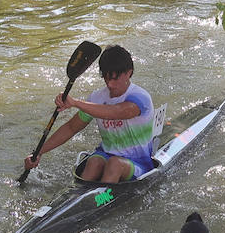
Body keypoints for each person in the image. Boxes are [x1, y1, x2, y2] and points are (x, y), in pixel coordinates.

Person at [24, 45, 155, 184]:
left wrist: (75, 103)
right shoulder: (96, 98)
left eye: (115, 78)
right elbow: (71, 128)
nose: (110, 84)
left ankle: (102, 200)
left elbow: (115, 112)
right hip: (106, 154)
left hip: (138, 163)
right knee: (94, 161)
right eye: (106, 77)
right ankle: (79, 197)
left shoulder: (140, 97)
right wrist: (38, 152)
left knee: (115, 164)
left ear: (129, 73)